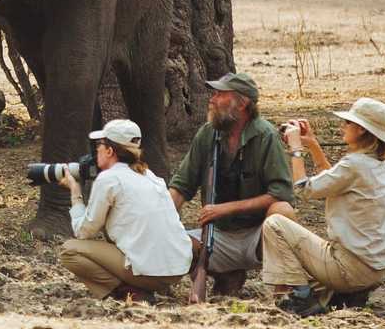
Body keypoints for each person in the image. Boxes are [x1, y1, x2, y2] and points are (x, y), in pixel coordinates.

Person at [263, 98, 385, 316]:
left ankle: (302, 298)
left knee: (275, 224)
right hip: (373, 269)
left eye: (348, 123)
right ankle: (343, 295)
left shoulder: (354, 165)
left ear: (361, 130)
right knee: (300, 263)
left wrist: (296, 149)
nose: (343, 126)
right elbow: (333, 183)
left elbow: (304, 189)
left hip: (351, 268)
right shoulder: (377, 164)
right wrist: (312, 144)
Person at [168, 72, 295, 296]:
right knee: (173, 241)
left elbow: (281, 193)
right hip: (218, 236)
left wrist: (225, 208)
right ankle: (227, 276)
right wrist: (161, 223)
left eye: (220, 94)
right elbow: (181, 186)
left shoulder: (266, 135)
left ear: (242, 103)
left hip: (258, 236)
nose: (212, 99)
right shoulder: (207, 134)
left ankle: (282, 292)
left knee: (282, 212)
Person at [60, 119, 193, 302]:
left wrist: (75, 193)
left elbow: (83, 232)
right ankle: (141, 286)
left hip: (149, 272)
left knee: (70, 251)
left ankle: (129, 291)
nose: (97, 149)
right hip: (176, 270)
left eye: (100, 144)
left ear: (110, 151)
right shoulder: (150, 175)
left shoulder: (109, 179)